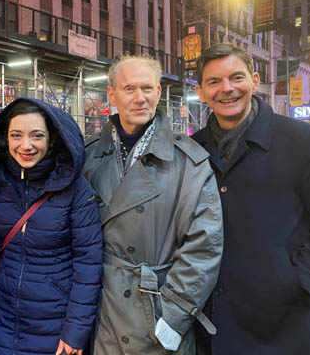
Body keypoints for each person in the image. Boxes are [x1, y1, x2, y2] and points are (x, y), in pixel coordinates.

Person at [82, 55, 223, 354]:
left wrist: (172, 318)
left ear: (158, 93)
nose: (139, 98)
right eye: (129, 88)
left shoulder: (189, 161)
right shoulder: (89, 157)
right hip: (101, 312)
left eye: (147, 88)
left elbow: (204, 246)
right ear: (111, 95)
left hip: (157, 315)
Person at [192, 43, 310, 355]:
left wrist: (299, 280)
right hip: (213, 322)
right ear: (201, 92)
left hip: (284, 324)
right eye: (214, 82)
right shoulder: (191, 151)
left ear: (255, 80)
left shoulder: (302, 141)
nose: (227, 89)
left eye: (236, 77)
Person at [0, 98, 103, 355]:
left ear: (51, 139)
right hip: (1, 317)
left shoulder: (75, 191)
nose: (25, 145)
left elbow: (88, 264)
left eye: (36, 136)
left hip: (53, 321)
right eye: (16, 135)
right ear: (6, 139)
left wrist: (75, 331)